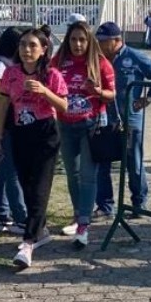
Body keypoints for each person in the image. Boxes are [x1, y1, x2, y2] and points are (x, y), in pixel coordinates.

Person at [0, 28, 68, 269]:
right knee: (26, 186)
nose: (26, 50)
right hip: (20, 134)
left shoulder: (52, 74)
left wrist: (44, 91)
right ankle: (41, 231)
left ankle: (28, 242)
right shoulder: (11, 73)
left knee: (39, 188)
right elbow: (4, 105)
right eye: (23, 44)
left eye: (33, 45)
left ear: (44, 49)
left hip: (45, 135)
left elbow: (64, 106)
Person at [53, 20, 116, 249]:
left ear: (89, 41)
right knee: (72, 174)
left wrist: (97, 91)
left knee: (88, 176)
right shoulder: (59, 61)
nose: (77, 44)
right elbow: (48, 82)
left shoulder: (100, 63)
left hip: (92, 124)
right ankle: (79, 214)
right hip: (65, 125)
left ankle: (83, 226)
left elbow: (112, 94)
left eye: (82, 40)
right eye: (73, 39)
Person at [97, 21, 151, 219]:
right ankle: (104, 205)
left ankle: (138, 203)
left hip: (130, 120)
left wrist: (149, 98)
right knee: (102, 163)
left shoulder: (134, 57)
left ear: (117, 40)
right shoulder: (98, 58)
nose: (100, 44)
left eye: (104, 41)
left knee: (133, 163)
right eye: (99, 40)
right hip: (104, 118)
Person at [0, 27, 28, 236]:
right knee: (12, 171)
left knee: (3, 170)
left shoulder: (6, 62)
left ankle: (2, 215)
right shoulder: (1, 63)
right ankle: (20, 218)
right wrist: (4, 111)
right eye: (21, 44)